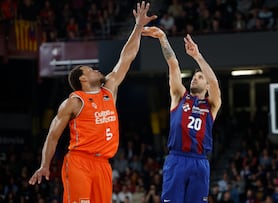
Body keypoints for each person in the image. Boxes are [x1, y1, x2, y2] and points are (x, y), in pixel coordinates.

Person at [28, 2, 157, 203]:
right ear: (83, 79)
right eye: (90, 70)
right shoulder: (74, 102)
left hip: (104, 164)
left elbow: (127, 57)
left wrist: (138, 26)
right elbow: (53, 136)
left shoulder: (109, 90)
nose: (96, 70)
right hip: (80, 161)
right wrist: (45, 165)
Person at [142, 26, 222, 203]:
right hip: (177, 158)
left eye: (200, 77)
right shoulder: (179, 96)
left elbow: (214, 82)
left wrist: (197, 56)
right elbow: (173, 64)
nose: (195, 78)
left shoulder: (211, 105)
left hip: (200, 162)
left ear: (206, 85)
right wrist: (163, 38)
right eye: (194, 76)